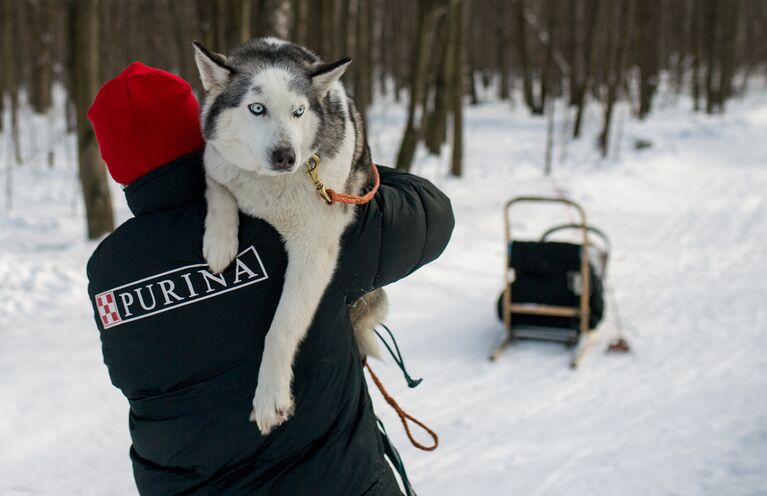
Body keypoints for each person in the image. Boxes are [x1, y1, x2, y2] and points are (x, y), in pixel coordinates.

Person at [85, 61, 454, 495]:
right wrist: (337, 166)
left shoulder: (108, 273)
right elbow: (430, 217)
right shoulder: (282, 215)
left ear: (115, 161)